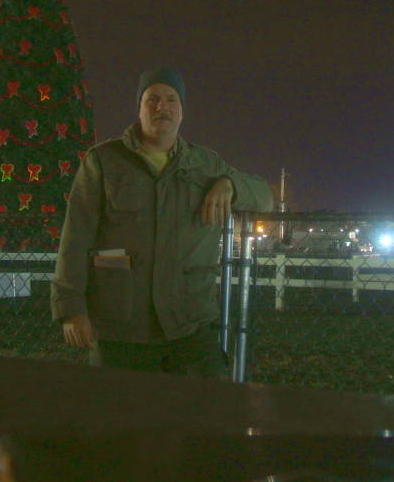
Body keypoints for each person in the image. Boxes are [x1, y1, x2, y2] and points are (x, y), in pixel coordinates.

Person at [51, 67, 272, 378]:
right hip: (122, 330)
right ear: (139, 108)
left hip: (190, 327)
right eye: (152, 99)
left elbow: (263, 195)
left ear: (181, 111)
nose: (161, 107)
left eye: (171, 100)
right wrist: (71, 309)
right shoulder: (103, 161)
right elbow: (75, 238)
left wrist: (230, 184)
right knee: (117, 421)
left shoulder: (205, 164)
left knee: (204, 419)